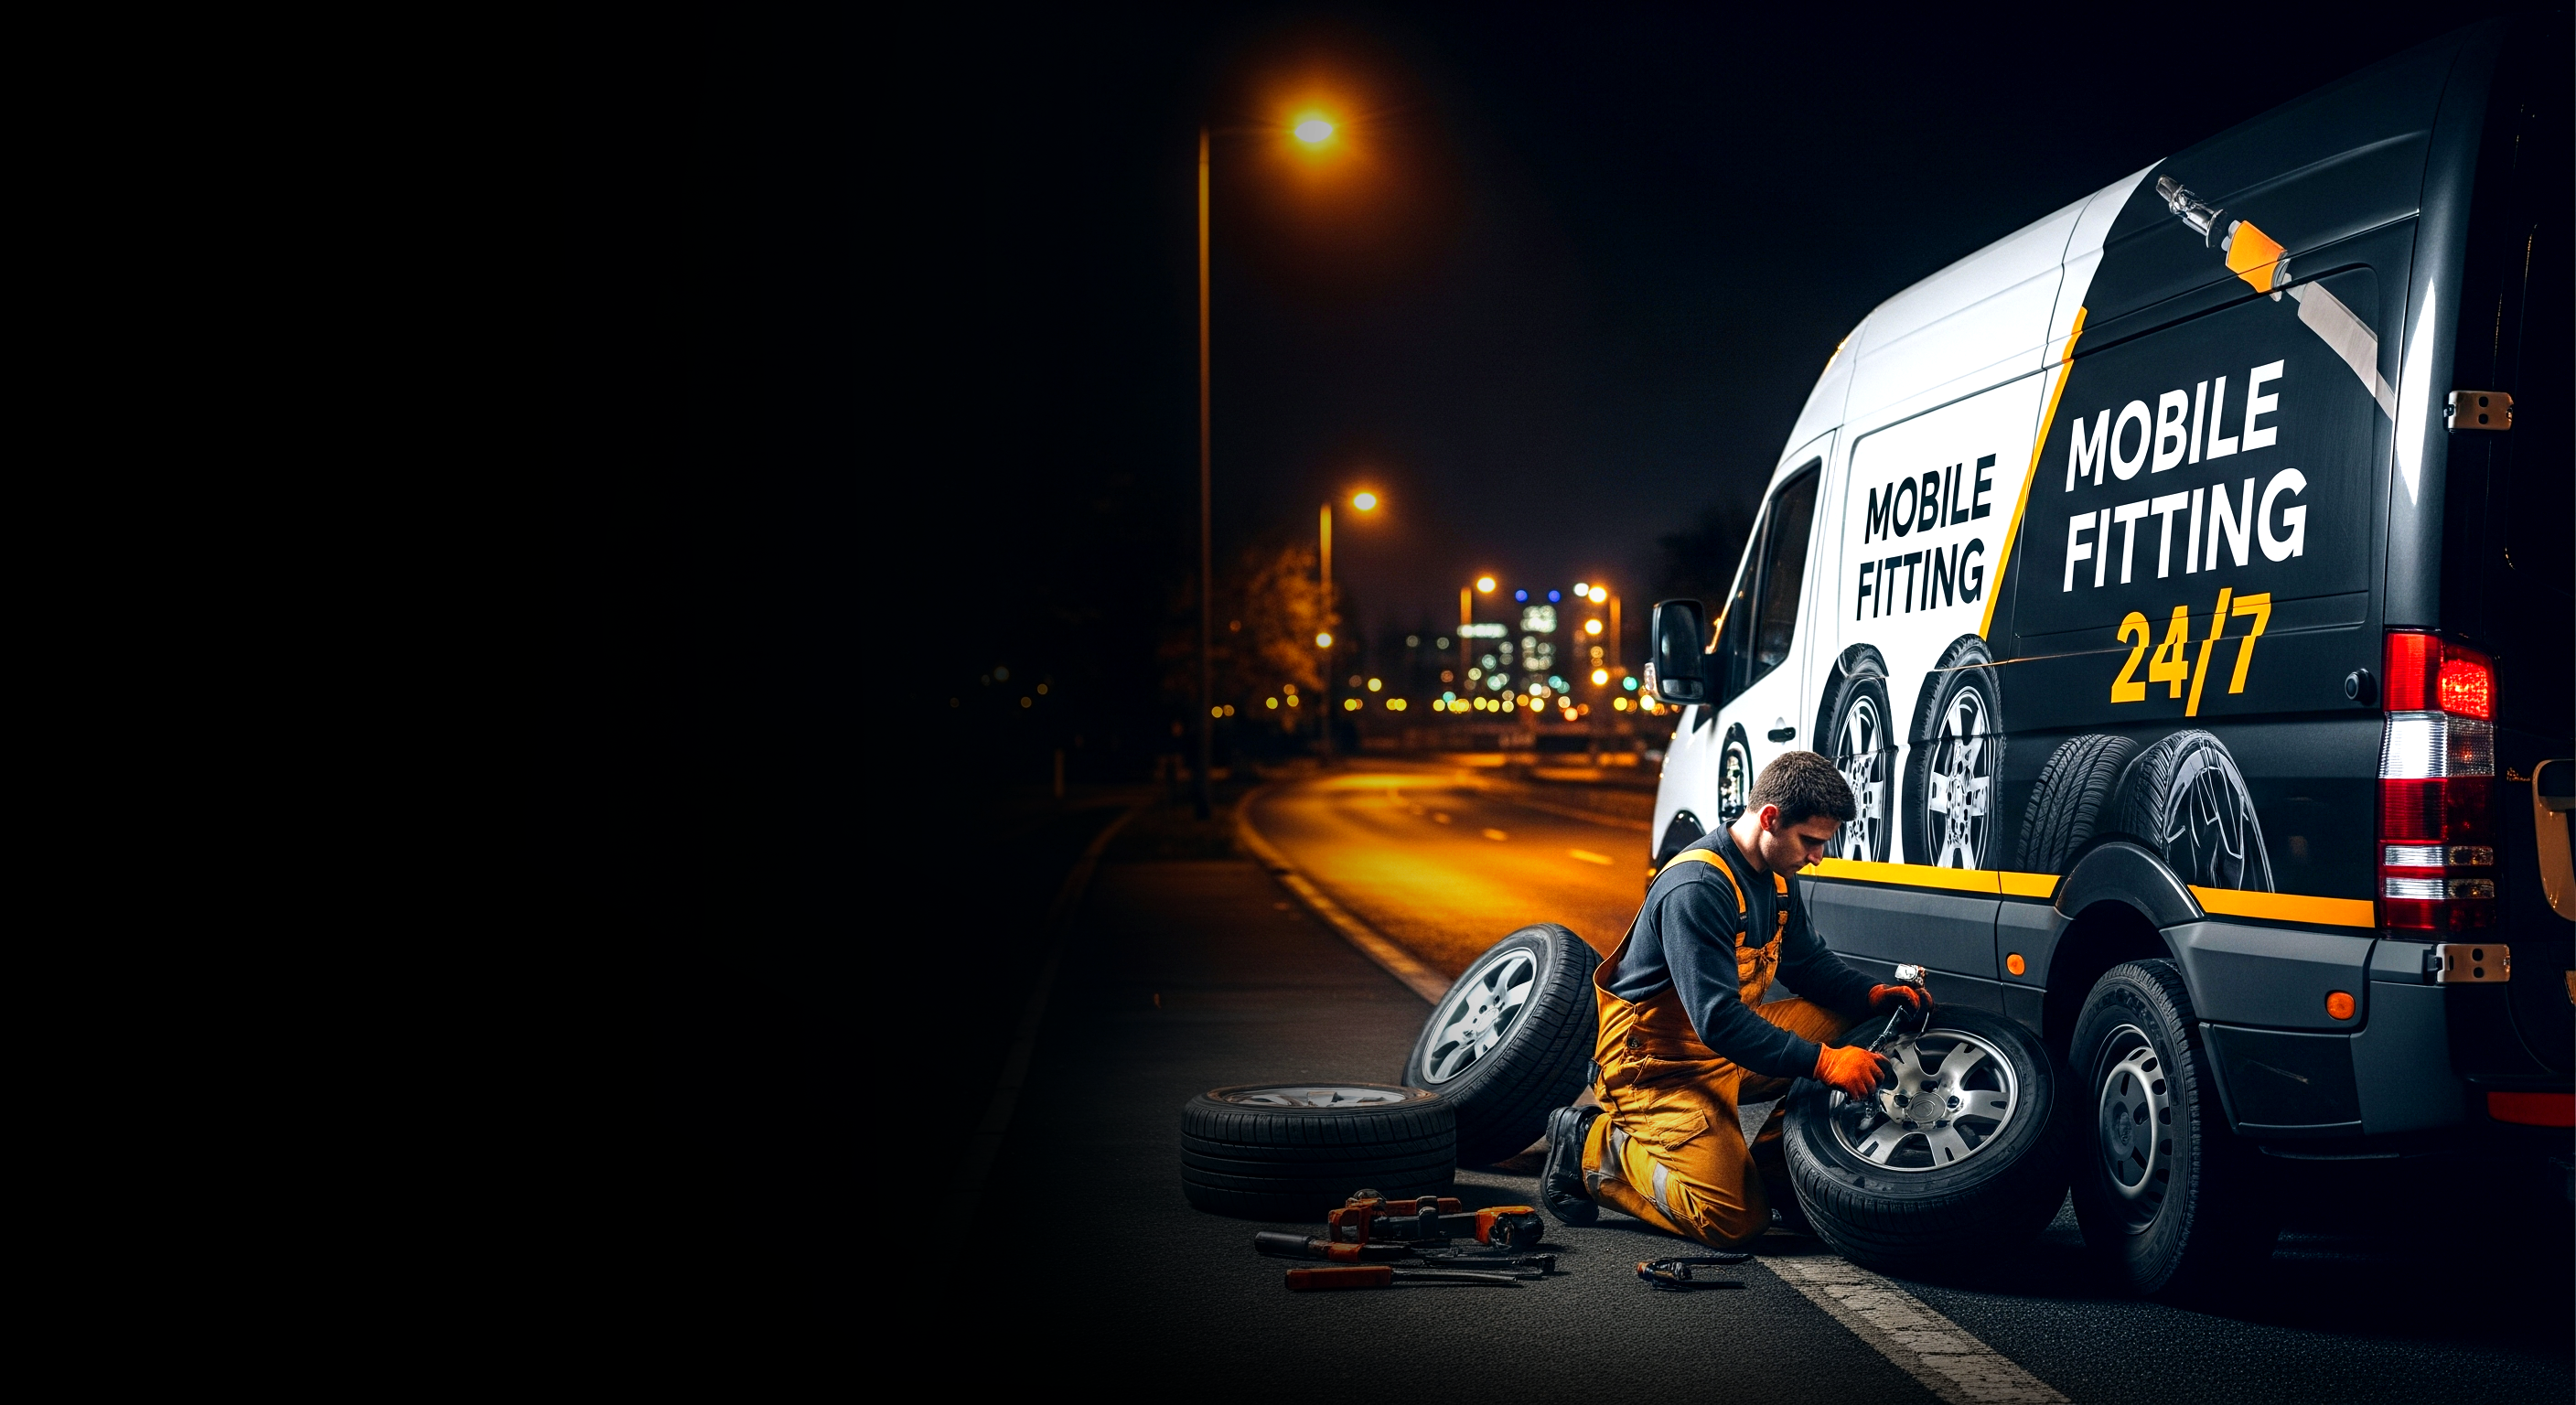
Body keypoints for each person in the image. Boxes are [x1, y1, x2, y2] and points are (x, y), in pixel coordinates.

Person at [1540, 750, 1930, 1247]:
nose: (1817, 856)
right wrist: (1825, 1063)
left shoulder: (1778, 876)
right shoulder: (1698, 887)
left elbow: (1807, 965)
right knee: (1733, 1220)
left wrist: (1871, 994)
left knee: (1859, 1020)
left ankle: (1777, 1167)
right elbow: (1718, 1018)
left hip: (1724, 1053)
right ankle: (1590, 1148)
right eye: (1810, 841)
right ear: (1770, 818)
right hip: (1657, 1069)